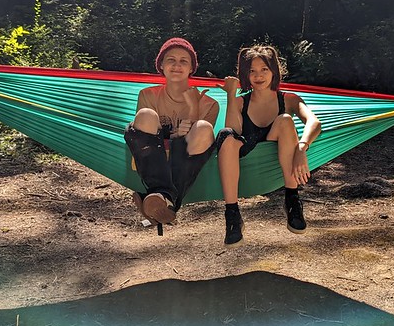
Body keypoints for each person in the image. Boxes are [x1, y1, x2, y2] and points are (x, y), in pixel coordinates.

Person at [216, 44, 321, 247]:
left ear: (274, 71)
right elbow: (232, 131)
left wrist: (302, 147)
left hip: (280, 152)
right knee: (224, 135)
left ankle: (292, 200)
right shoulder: (240, 102)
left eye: (264, 69)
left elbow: (314, 123)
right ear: (246, 75)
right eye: (252, 71)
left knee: (285, 120)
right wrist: (230, 95)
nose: (258, 75)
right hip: (246, 156)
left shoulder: (288, 99)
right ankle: (232, 214)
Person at [124, 37, 218, 228]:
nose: (177, 65)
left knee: (204, 128)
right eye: (171, 60)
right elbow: (144, 132)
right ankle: (167, 198)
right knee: (146, 115)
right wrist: (173, 135)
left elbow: (197, 146)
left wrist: (193, 109)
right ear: (161, 65)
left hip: (186, 157)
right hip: (151, 151)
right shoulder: (148, 95)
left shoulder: (210, 105)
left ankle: (157, 196)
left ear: (192, 67)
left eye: (184, 61)